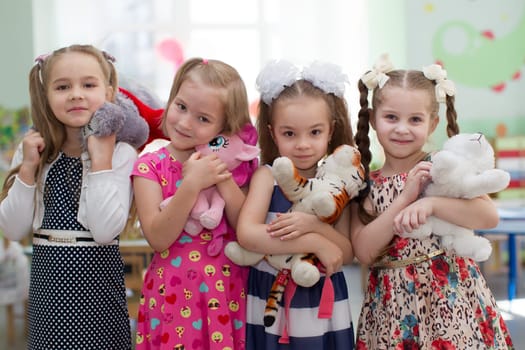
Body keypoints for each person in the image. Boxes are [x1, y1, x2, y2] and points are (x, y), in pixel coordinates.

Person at [350, 54, 514, 349]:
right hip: (393, 311)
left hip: (452, 303)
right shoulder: (365, 184)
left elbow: (487, 216)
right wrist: (407, 197)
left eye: (415, 119)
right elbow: (364, 251)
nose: (402, 128)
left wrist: (431, 205)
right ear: (373, 119)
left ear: (433, 123)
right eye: (391, 117)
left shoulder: (441, 166)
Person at [0, 44, 135, 349]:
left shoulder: (122, 154)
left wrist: (100, 163)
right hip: (47, 291)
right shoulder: (32, 150)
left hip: (98, 293)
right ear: (46, 96)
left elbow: (103, 231)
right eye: (62, 86)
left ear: (109, 93)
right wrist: (28, 169)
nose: (76, 94)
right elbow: (12, 229)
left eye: (88, 85)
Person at [131, 58, 254, 349]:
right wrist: (192, 184)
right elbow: (159, 238)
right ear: (171, 100)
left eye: (203, 119)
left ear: (226, 126)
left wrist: (221, 176)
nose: (185, 123)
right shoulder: (149, 166)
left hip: (227, 291)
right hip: (173, 294)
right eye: (181, 107)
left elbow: (244, 227)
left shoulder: (235, 165)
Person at [236, 60, 356, 349]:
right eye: (289, 133)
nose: (302, 144)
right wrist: (315, 242)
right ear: (273, 132)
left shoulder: (339, 182)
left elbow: (347, 252)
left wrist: (314, 227)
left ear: (331, 130)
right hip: (269, 299)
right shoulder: (267, 177)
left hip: (320, 298)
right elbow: (248, 235)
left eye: (314, 132)